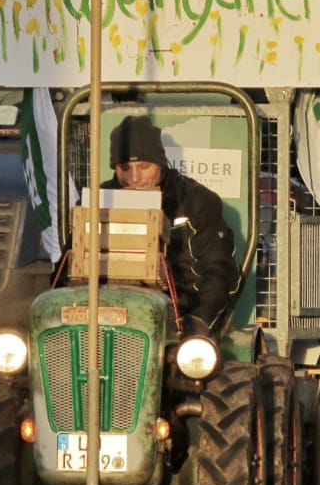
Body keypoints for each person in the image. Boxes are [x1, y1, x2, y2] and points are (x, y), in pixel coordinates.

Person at [102, 116, 239, 334]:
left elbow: (218, 270)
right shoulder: (97, 203)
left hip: (178, 319)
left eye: (144, 166)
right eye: (125, 168)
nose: (134, 178)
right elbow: (69, 265)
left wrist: (198, 320)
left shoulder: (196, 201)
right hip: (105, 314)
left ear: (160, 163)